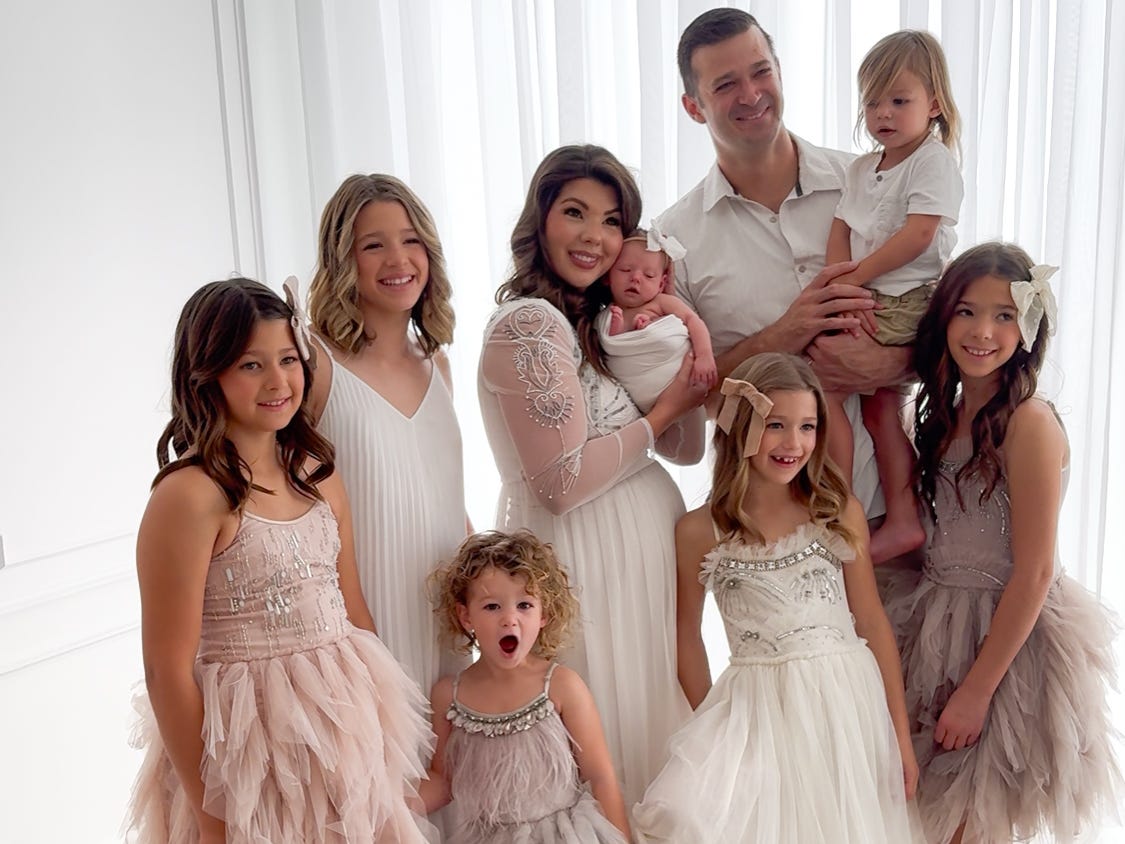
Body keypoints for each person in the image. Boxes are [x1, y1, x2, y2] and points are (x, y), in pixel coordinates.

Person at [125, 279, 435, 843]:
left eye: (288, 359)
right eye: (250, 365)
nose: (278, 381)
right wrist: (212, 811)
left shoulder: (317, 474)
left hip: (340, 730)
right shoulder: (191, 495)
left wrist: (380, 737)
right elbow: (165, 670)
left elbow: (354, 612)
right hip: (246, 752)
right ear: (207, 374)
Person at [477, 143, 707, 806]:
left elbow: (686, 447)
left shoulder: (601, 322)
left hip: (644, 560)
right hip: (578, 559)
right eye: (574, 212)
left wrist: (674, 340)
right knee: (598, 747)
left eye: (611, 221)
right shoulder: (528, 324)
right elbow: (561, 481)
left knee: (649, 729)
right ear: (540, 220)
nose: (594, 236)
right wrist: (668, 406)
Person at [632, 352, 922, 843]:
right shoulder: (700, 531)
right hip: (757, 709)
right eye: (776, 425)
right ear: (740, 427)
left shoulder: (836, 512)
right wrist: (713, 726)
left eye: (808, 427)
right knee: (696, 819)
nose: (794, 443)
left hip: (845, 705)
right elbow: (686, 639)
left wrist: (899, 737)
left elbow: (871, 622)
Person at [887, 243, 1121, 843]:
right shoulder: (949, 413)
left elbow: (1036, 570)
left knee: (973, 820)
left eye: (1003, 315)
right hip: (937, 618)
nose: (983, 331)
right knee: (926, 816)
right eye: (966, 311)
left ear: (1029, 325)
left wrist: (976, 691)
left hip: (1004, 641)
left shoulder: (1030, 422)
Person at [658, 7, 905, 518]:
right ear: (692, 107)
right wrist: (783, 335)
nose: (750, 95)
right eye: (725, 84)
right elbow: (683, 404)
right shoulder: (673, 242)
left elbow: (956, 324)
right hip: (768, 527)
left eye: (760, 72)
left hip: (893, 506)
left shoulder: (872, 183)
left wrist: (890, 364)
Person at [306, 173, 469, 693]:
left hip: (442, 612)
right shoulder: (314, 363)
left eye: (411, 240)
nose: (399, 260)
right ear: (342, 261)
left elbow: (445, 493)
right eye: (374, 245)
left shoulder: (437, 365)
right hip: (362, 616)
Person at [824, 29, 964, 564]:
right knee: (880, 410)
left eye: (899, 100)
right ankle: (901, 519)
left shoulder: (932, 161)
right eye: (872, 101)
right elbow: (841, 224)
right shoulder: (863, 167)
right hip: (866, 291)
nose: (883, 112)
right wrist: (840, 276)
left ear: (934, 104)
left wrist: (856, 277)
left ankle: (838, 509)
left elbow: (919, 235)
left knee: (825, 386)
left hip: (905, 297)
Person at [421, 530, 629, 843]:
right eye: (492, 607)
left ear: (544, 613)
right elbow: (443, 780)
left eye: (524, 605)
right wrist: (380, 806)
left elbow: (600, 776)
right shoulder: (449, 694)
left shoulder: (561, 686)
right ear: (466, 616)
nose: (509, 619)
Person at [595, 225, 717, 411]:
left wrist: (704, 355)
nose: (635, 278)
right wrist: (617, 335)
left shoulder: (662, 302)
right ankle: (622, 330)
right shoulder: (603, 317)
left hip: (677, 390)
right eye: (625, 270)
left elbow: (694, 321)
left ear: (661, 284)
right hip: (632, 403)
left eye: (649, 275)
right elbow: (609, 354)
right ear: (607, 276)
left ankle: (629, 329)